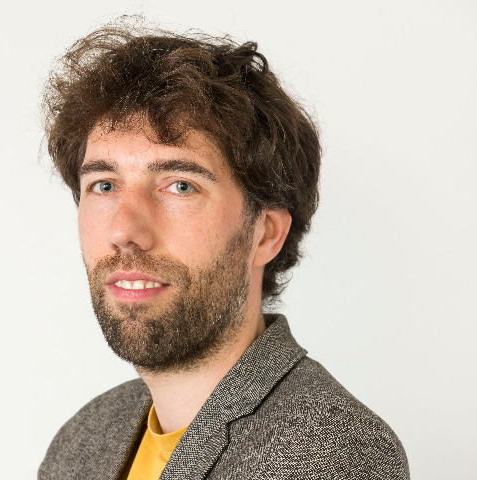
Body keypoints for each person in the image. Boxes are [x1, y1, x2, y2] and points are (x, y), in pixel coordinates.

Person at [38, 21, 409, 480]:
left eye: (180, 185)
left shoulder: (329, 455)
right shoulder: (82, 440)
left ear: (266, 234)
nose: (123, 230)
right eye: (104, 185)